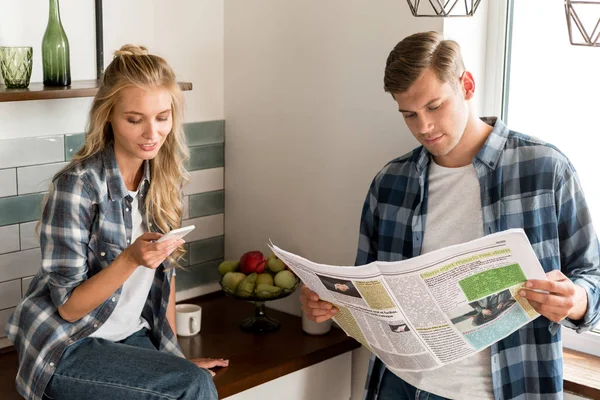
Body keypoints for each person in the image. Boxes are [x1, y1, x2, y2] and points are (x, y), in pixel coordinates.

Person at [300, 31, 600, 399]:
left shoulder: (544, 169)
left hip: (509, 386)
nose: (423, 126)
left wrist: (575, 300)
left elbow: (592, 275)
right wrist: (329, 303)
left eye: (434, 106)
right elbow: (367, 292)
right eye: (408, 114)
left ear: (467, 85)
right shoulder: (390, 184)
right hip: (400, 386)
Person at [5, 44, 228, 400]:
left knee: (194, 382)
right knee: (195, 388)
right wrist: (130, 259)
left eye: (162, 117)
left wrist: (175, 362)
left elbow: (164, 281)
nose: (151, 133)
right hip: (69, 347)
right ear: (108, 115)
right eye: (134, 119)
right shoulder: (77, 187)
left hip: (130, 337)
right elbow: (69, 307)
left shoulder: (162, 183)